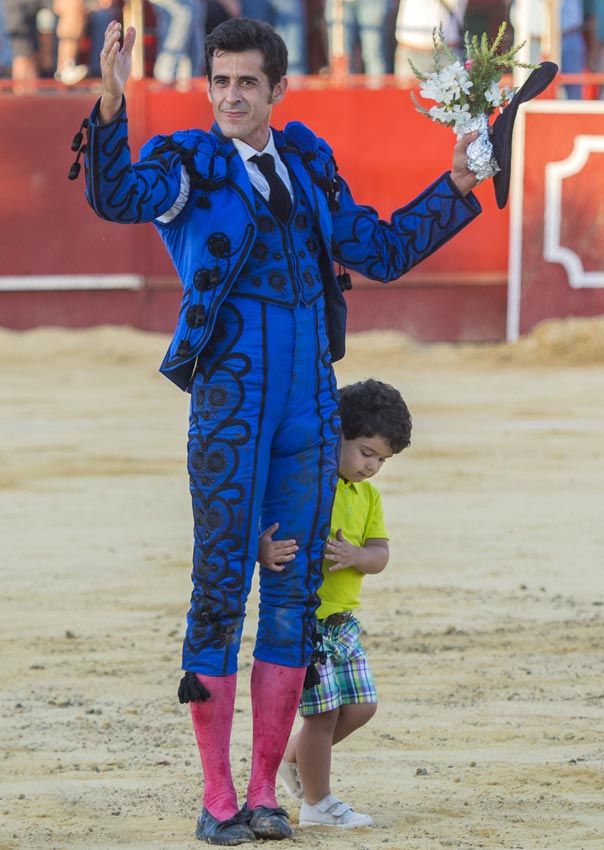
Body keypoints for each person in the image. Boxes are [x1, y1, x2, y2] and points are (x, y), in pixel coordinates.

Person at [81, 16, 480, 845]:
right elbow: (116, 196)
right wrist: (113, 99)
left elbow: (381, 247)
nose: (230, 95)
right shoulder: (186, 165)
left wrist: (458, 185)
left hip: (309, 400)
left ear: (276, 89)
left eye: (246, 82)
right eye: (219, 80)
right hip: (230, 401)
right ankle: (218, 796)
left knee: (293, 595)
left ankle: (266, 791)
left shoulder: (306, 162)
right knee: (221, 587)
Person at [259, 379, 411, 828]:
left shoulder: (369, 497)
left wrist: (355, 557)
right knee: (321, 715)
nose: (373, 467)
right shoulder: (307, 482)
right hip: (307, 621)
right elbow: (266, 524)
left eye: (382, 459)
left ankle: (293, 759)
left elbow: (380, 554)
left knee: (362, 707)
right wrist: (261, 550)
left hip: (343, 622)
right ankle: (317, 803)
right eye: (366, 452)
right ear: (337, 433)